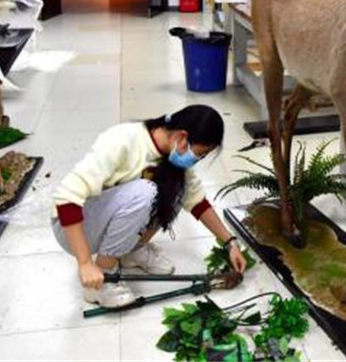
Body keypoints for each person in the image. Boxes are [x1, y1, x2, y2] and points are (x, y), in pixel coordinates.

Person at [51, 105, 247, 308]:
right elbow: (66, 197)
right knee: (146, 192)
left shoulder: (172, 155)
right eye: (200, 153)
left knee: (177, 188)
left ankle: (131, 251)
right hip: (72, 228)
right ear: (182, 137)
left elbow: (197, 201)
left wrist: (230, 243)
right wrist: (85, 263)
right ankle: (103, 280)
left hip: (105, 221)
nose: (197, 160)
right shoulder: (123, 140)